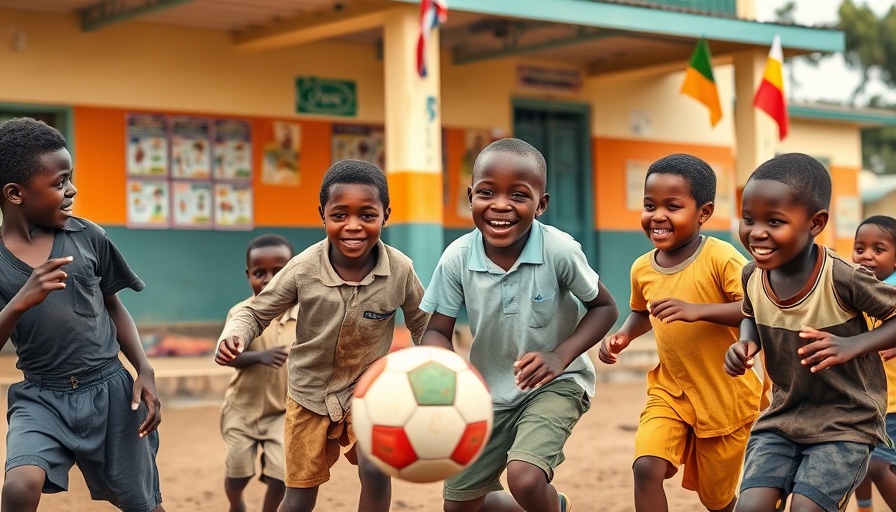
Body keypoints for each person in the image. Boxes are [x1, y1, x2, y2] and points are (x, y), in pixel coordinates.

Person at [215, 159, 430, 512]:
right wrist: (235, 335)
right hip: (308, 395)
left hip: (367, 390)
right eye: (340, 215)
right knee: (300, 494)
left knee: (376, 468)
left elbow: (423, 322)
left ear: (386, 215)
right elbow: (256, 311)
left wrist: (435, 368)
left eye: (367, 215)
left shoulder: (400, 270)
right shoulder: (302, 268)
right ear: (323, 215)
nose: (354, 226)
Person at [420, 138, 619, 512]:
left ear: (541, 204)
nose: (500, 205)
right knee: (460, 505)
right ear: (470, 196)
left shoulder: (558, 250)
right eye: (487, 192)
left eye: (518, 195)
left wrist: (559, 357)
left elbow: (604, 307)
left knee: (525, 478)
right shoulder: (457, 258)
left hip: (557, 383)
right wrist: (449, 374)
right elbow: (436, 331)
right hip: (486, 395)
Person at [0, 117, 163, 511]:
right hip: (41, 397)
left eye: (69, 178)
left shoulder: (88, 236)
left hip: (111, 392)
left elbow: (113, 305)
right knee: (18, 486)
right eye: (59, 183)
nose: (71, 190)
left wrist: (144, 368)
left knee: (143, 504)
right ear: (15, 193)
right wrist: (20, 301)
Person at [725, 153, 896, 512]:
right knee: (749, 506)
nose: (757, 232)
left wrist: (854, 344)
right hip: (782, 417)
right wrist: (746, 342)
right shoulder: (752, 275)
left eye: (774, 221)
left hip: (846, 421)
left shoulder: (841, 277)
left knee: (807, 507)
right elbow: (750, 315)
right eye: (748, 219)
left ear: (815, 223)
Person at [597, 153, 764, 512]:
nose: (657, 215)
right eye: (649, 204)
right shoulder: (642, 267)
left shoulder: (722, 257)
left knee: (716, 500)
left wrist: (697, 311)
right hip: (670, 390)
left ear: (703, 213)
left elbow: (756, 306)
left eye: (672, 206)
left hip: (724, 396)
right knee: (646, 467)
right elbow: (643, 312)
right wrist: (624, 335)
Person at [220, 234, 296, 512]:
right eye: (259, 272)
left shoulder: (308, 316)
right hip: (243, 410)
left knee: (281, 476)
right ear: (248, 275)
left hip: (284, 412)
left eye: (279, 272)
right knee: (237, 474)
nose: (269, 279)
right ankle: (235, 502)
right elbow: (227, 357)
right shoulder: (240, 313)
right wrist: (259, 356)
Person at [851, 215, 896, 512]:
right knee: (859, 462)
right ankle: (865, 508)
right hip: (865, 402)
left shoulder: (891, 292)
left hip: (891, 406)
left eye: (878, 249)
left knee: (875, 464)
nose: (867, 255)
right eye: (859, 248)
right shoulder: (856, 292)